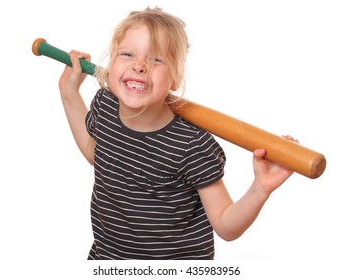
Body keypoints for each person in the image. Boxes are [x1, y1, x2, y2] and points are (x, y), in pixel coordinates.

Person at [58, 7, 297, 260]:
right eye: (128, 54)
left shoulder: (192, 146)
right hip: (107, 259)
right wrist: (68, 92)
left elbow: (226, 227)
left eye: (156, 60)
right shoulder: (105, 104)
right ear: (112, 63)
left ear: (175, 80)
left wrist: (260, 187)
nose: (139, 66)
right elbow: (98, 156)